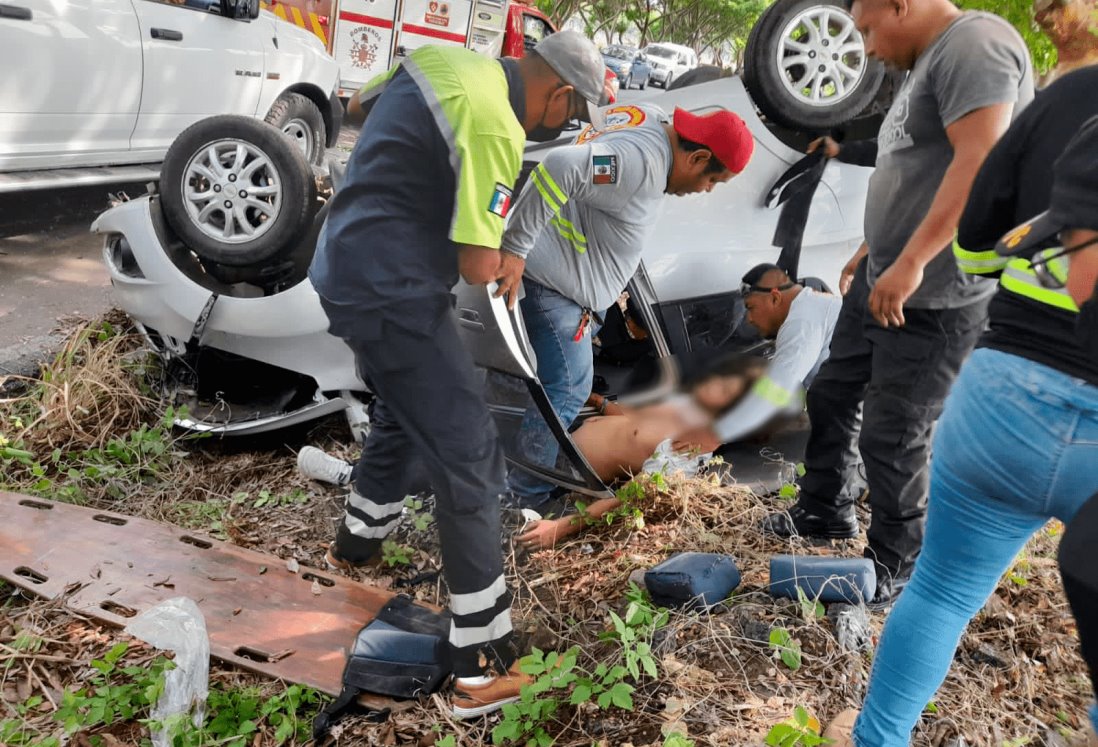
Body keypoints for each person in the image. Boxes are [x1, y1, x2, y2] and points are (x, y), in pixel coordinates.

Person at [306, 31, 607, 718]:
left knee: (404, 409)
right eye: (569, 115)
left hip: (343, 262)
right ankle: (482, 667)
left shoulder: (448, 62)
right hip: (392, 289)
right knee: (468, 453)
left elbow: (360, 102)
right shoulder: (498, 123)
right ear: (559, 95)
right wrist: (505, 254)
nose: (559, 126)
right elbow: (476, 266)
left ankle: (358, 539)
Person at [822, 99, 1098, 746]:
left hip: (1002, 402)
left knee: (942, 590)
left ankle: (877, 737)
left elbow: (975, 254)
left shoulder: (1071, 99)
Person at [763, 0, 1035, 607]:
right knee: (833, 392)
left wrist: (911, 261)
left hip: (935, 294)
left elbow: (982, 161)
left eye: (866, 28)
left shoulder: (975, 44)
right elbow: (914, 170)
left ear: (900, 4)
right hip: (885, 277)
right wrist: (873, 249)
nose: (867, 45)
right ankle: (825, 511)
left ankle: (898, 562)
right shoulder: (925, 63)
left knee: (895, 434)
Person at [497, 104, 755, 510]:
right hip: (553, 290)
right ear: (698, 157)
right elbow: (563, 166)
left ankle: (515, 480)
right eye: (713, 181)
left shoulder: (648, 118)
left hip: (564, 288)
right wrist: (515, 248)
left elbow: (602, 123)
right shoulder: (641, 166)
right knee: (567, 388)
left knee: (557, 386)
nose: (707, 190)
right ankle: (522, 500)